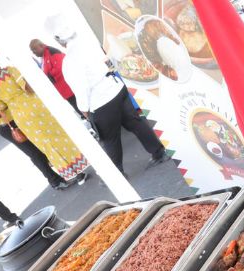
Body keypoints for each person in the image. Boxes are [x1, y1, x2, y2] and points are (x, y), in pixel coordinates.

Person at [46, 18, 170, 175]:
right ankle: (159, 152)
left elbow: (81, 88)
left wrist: (84, 110)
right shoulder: (90, 43)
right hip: (116, 88)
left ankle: (117, 174)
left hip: (101, 102)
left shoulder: (69, 61)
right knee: (136, 123)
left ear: (58, 39)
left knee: (110, 139)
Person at [0, 49, 89, 183]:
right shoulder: (9, 70)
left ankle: (75, 175)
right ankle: (81, 162)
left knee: (46, 144)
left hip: (19, 116)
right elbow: (28, 87)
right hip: (34, 106)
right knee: (58, 134)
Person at [0, 97, 70, 190]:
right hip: (8, 127)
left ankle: (63, 171)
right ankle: (54, 180)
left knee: (41, 146)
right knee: (34, 152)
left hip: (19, 117)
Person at [28, 39, 83, 117]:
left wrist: (47, 76)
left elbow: (61, 68)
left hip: (71, 89)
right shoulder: (44, 57)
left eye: (34, 50)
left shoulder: (52, 51)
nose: (34, 53)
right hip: (65, 92)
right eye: (32, 51)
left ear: (41, 46)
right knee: (80, 111)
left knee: (83, 110)